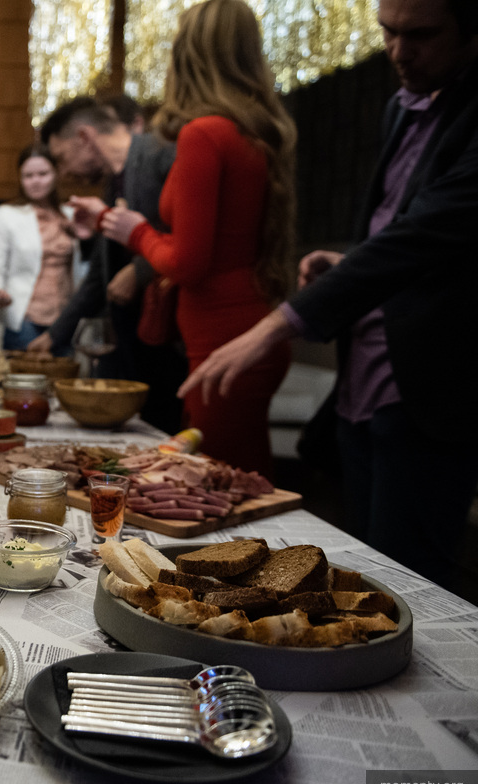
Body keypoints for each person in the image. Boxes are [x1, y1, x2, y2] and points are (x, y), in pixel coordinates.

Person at [177, 0, 478, 586]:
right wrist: (350, 264)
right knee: (361, 573)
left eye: (421, 35)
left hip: (429, 382)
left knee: (411, 581)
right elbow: (400, 235)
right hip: (363, 372)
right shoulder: (401, 104)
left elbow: (426, 232)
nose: (398, 52)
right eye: (387, 32)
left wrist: (276, 324)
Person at [80, 0, 298, 476]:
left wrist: (135, 232)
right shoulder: (253, 131)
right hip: (252, 324)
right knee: (242, 477)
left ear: (188, 54)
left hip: (220, 337)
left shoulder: (205, 134)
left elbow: (188, 262)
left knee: (218, 485)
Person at [29, 98, 187, 434]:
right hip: (134, 346)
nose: (63, 172)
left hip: (174, 341)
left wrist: (139, 271)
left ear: (84, 138)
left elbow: (190, 237)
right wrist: (54, 335)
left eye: (61, 158)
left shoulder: (163, 154)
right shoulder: (112, 185)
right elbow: (99, 277)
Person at [0, 143, 78, 351]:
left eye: (43, 174)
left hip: (64, 319)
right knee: (24, 371)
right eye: (28, 176)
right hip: (25, 318)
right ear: (20, 178)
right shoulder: (7, 215)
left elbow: (82, 267)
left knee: (67, 371)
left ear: (56, 174)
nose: (36, 181)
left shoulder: (70, 215)